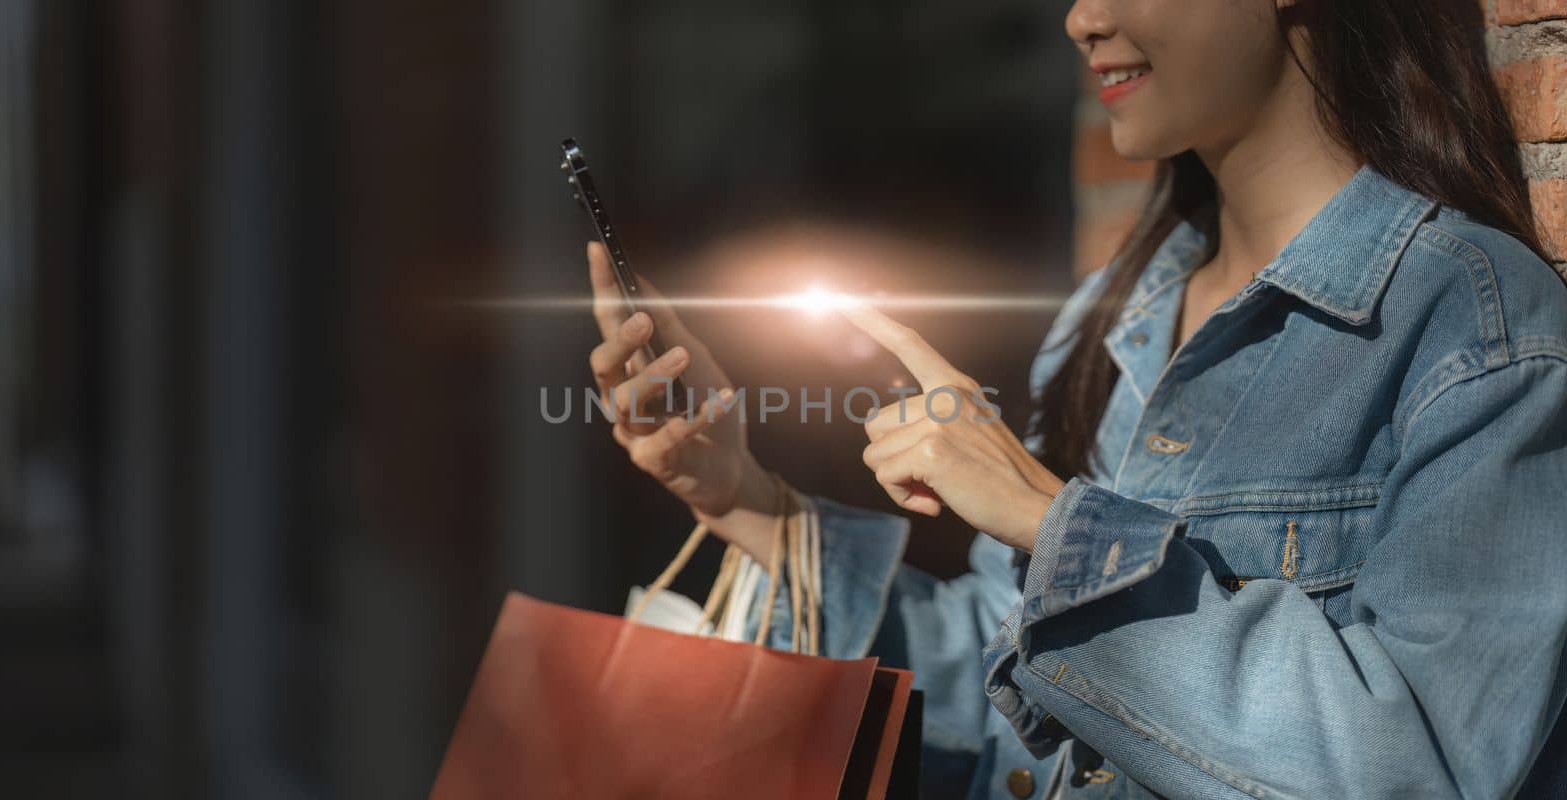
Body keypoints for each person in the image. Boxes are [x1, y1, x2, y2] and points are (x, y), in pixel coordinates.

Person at [583, 0, 1567, 797]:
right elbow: (1009, 696)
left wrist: (1048, 517)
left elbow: (1425, 765)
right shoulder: (1110, 319)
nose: (1079, 19)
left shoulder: (1468, 319)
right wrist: (740, 494)